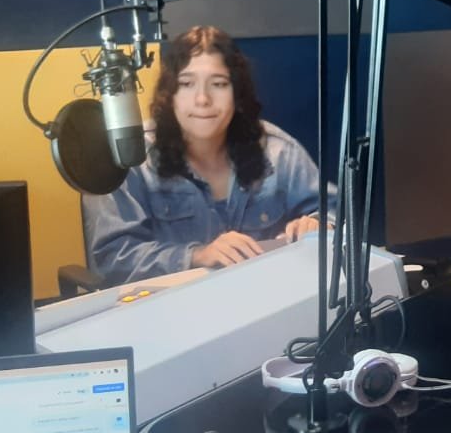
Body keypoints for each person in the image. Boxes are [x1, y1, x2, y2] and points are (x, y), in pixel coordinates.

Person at [84, 26, 325, 285]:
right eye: (187, 84)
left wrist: (317, 224)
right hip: (167, 313)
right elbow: (113, 259)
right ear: (170, 95)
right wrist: (196, 256)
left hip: (265, 301)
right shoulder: (131, 158)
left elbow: (332, 212)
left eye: (219, 84)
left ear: (237, 93)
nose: (202, 99)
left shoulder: (277, 151)